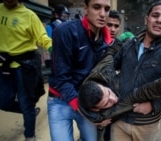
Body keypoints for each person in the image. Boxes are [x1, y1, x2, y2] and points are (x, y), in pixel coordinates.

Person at [108, 1, 161, 141]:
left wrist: (154, 105)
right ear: (146, 19)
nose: (159, 20)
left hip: (146, 126)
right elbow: (110, 69)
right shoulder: (129, 44)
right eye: (155, 15)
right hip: (120, 119)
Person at [47, 0, 113, 141]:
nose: (102, 14)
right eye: (96, 7)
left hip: (87, 102)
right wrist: (85, 111)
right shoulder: (65, 31)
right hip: (60, 100)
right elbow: (61, 77)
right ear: (85, 9)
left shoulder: (106, 42)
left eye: (106, 9)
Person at [0, 0, 52, 141]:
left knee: (25, 102)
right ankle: (30, 112)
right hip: (4, 64)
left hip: (25, 66)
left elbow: (43, 38)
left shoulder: (29, 16)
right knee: (2, 102)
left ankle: (30, 136)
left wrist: (56, 49)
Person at [103, 9, 122, 141]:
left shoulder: (122, 46)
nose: (113, 29)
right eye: (109, 25)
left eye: (116, 26)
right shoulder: (96, 43)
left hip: (112, 93)